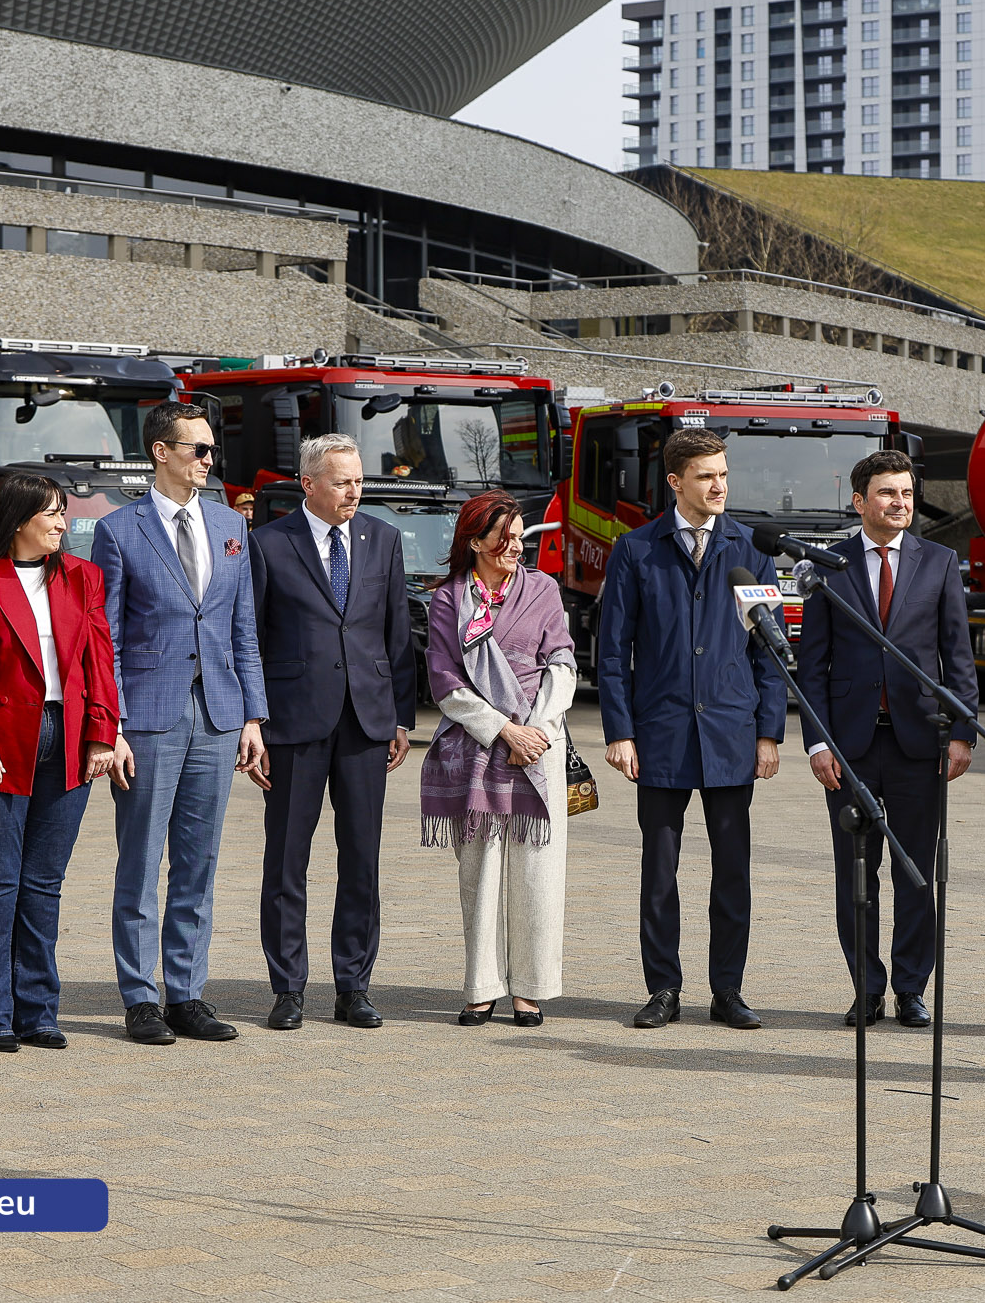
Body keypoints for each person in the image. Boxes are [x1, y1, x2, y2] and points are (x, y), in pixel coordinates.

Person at [598, 428, 787, 1031]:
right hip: (660, 733)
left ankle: (728, 990)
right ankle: (663, 989)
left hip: (732, 733)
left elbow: (770, 650)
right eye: (707, 476)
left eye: (724, 475)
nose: (719, 486)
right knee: (660, 870)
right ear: (676, 482)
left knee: (733, 870)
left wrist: (768, 732)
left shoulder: (750, 549)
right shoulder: (636, 550)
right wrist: (620, 731)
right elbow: (612, 651)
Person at [94, 402, 267, 1046]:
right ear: (161, 453)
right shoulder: (119, 530)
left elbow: (242, 628)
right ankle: (140, 997)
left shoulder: (228, 525)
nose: (208, 460)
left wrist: (253, 715)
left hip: (218, 715)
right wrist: (108, 726)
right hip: (148, 715)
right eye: (197, 449)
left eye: (211, 449)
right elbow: (105, 637)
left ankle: (187, 993)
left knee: (199, 860)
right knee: (139, 858)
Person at [0, 474, 120, 1052]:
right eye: (52, 514)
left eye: (64, 513)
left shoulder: (83, 577)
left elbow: (98, 659)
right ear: (17, 521)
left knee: (44, 882)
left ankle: (38, 1011)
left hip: (66, 737)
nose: (63, 523)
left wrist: (101, 734)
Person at [797, 449, 975, 1029]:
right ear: (859, 501)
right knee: (856, 873)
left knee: (915, 872)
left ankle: (910, 988)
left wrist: (962, 733)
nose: (900, 503)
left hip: (919, 744)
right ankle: (866, 988)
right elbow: (813, 664)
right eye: (886, 493)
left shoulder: (940, 561)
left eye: (906, 493)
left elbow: (958, 656)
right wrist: (818, 743)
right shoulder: (830, 565)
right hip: (849, 748)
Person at [248, 434, 416, 1031]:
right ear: (309, 484)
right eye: (342, 481)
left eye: (359, 480)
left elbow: (398, 634)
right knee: (287, 861)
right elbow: (253, 639)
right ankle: (288, 988)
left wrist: (400, 716)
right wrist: (256, 722)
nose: (355, 490)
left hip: (367, 723)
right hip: (293, 723)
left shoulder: (383, 539)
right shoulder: (268, 544)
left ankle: (354, 986)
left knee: (361, 858)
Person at [420, 490, 576, 1027]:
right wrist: (503, 729)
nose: (515, 545)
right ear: (475, 541)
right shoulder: (448, 599)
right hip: (478, 748)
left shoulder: (544, 589)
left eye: (519, 534)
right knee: (480, 873)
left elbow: (561, 661)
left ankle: (530, 988)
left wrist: (537, 727)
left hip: (538, 747)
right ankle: (482, 985)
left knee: (538, 873)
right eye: (503, 536)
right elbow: (445, 682)